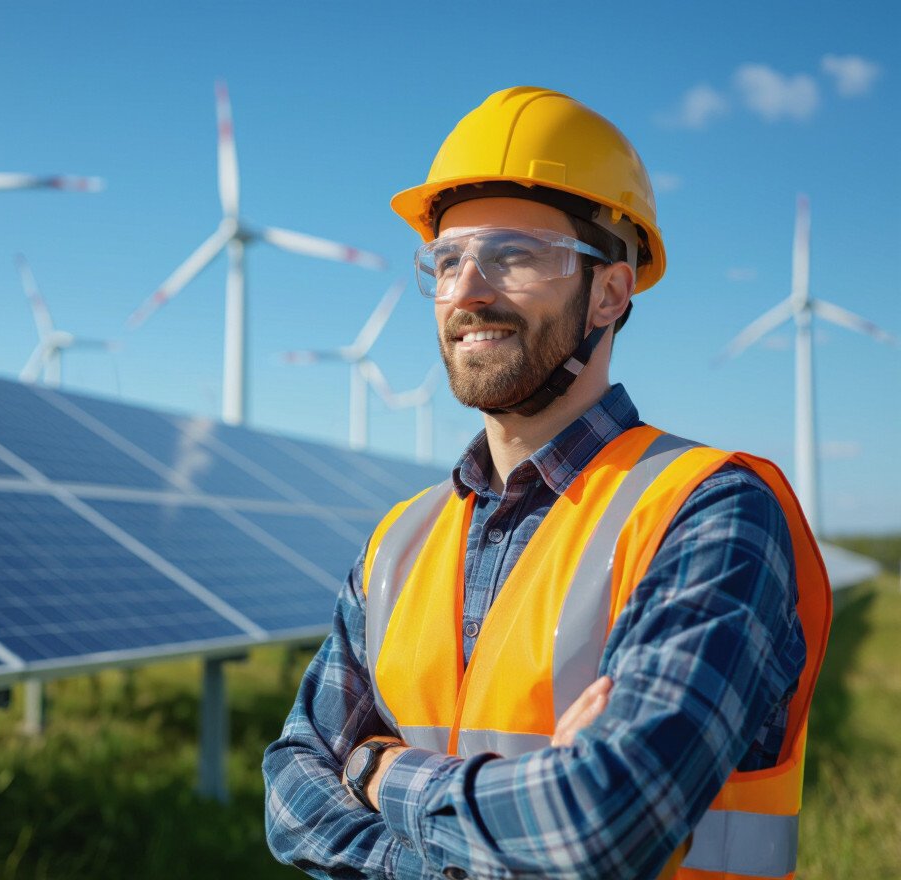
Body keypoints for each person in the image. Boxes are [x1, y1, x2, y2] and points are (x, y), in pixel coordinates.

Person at [262, 86, 831, 880]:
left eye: (512, 255)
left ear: (610, 291)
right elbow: (290, 792)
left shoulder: (710, 513)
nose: (466, 291)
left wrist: (375, 772)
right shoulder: (401, 542)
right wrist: (507, 820)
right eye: (449, 259)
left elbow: (599, 827)